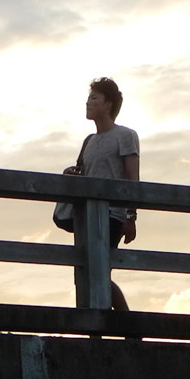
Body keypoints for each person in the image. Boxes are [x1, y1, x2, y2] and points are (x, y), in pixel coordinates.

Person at [62, 76, 138, 312]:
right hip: (87, 215)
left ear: (108, 105)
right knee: (84, 271)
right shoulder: (89, 141)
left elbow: (132, 177)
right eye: (89, 97)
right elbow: (85, 176)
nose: (88, 102)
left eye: (94, 98)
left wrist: (131, 216)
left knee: (99, 272)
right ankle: (98, 329)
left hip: (112, 214)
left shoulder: (125, 135)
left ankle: (128, 327)